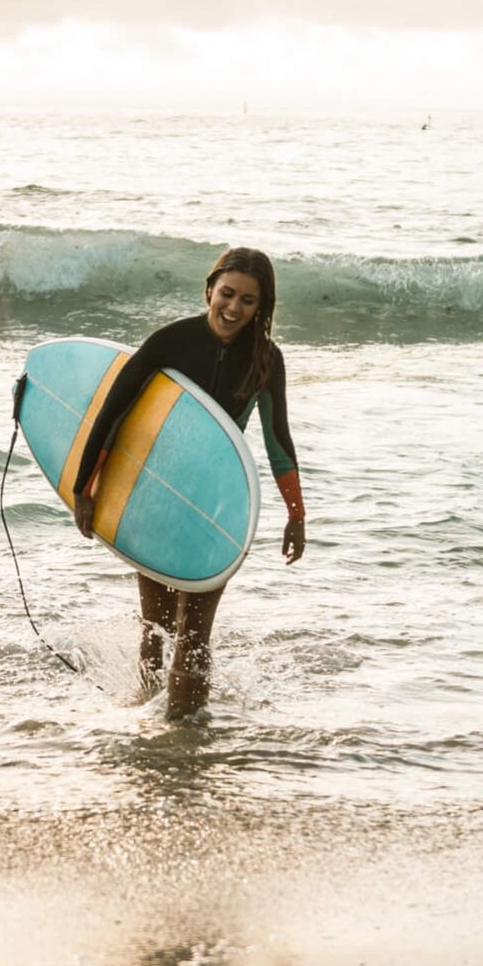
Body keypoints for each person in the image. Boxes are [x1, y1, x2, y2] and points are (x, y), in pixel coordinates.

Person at [71, 246, 307, 721]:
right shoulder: (171, 342)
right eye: (227, 294)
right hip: (153, 498)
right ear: (209, 290)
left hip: (214, 509)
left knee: (195, 634)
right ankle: (150, 727)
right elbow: (113, 412)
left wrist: (296, 514)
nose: (234, 308)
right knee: (155, 628)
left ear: (262, 306)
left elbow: (278, 440)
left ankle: (186, 735)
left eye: (248, 300)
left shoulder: (266, 359)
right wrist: (84, 487)